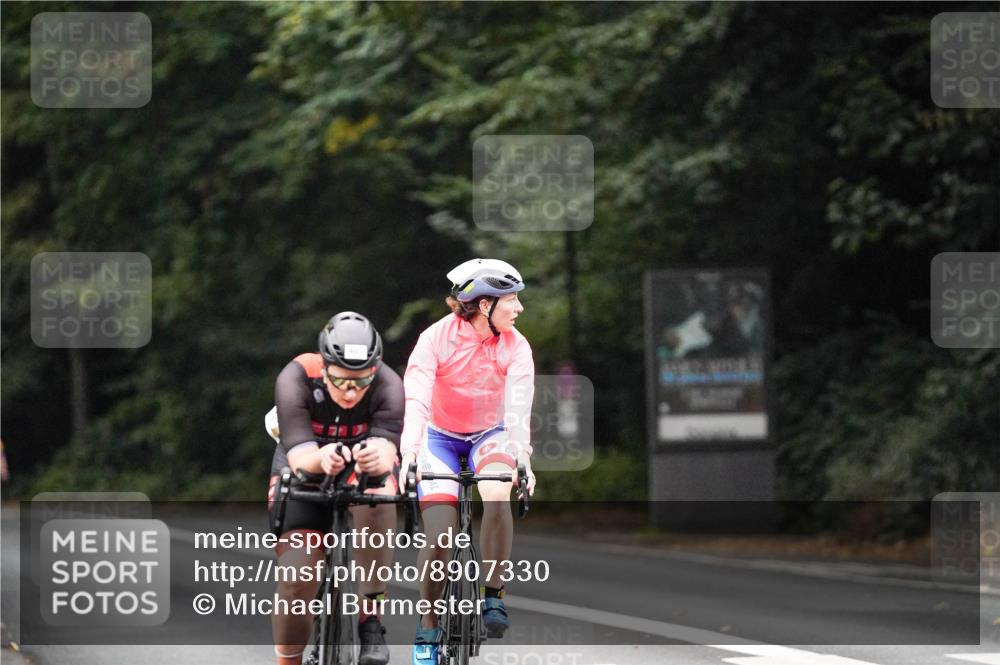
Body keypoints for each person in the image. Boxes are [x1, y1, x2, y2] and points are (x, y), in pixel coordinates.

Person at [397, 259, 537, 665]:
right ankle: (427, 625)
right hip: (438, 438)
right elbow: (417, 399)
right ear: (482, 304)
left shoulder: (516, 345)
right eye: (512, 299)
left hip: (489, 435)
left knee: (497, 490)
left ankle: (493, 595)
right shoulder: (434, 339)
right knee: (439, 536)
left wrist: (522, 456)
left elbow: (518, 407)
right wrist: (409, 454)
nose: (519, 308)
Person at [266, 312, 403, 665]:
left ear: (376, 369)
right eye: (341, 381)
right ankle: (288, 660)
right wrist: (320, 459)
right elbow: (299, 455)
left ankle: (370, 618)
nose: (351, 392)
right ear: (324, 367)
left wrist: (380, 458)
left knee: (381, 493)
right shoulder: (295, 376)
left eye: (361, 381)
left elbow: (388, 449)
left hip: (361, 470)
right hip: (307, 468)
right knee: (297, 579)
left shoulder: (389, 383)